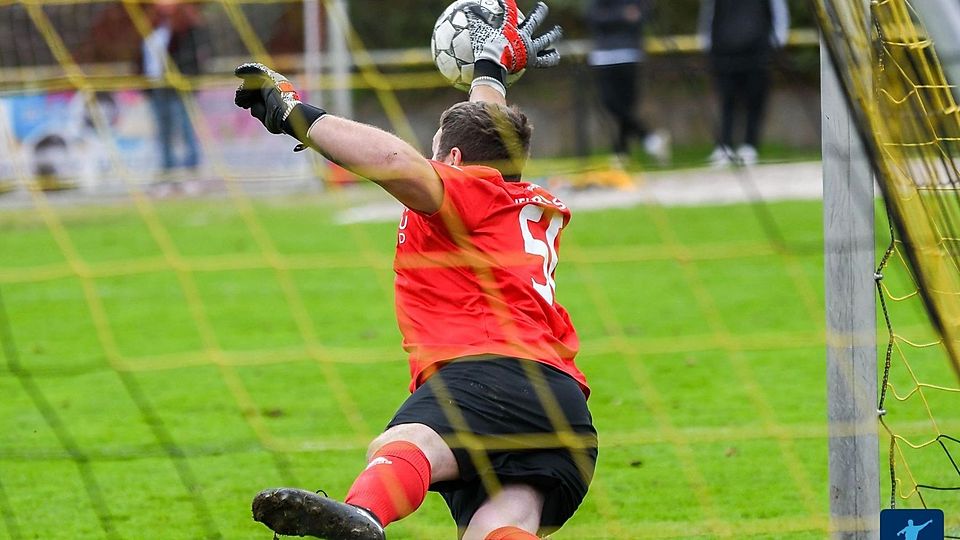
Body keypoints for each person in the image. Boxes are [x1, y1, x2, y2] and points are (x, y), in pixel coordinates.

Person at [235, 2, 597, 539]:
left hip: (488, 376)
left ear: (451, 159)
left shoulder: (464, 190)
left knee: (405, 445)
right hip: (564, 411)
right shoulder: (517, 196)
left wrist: (294, 113)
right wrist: (489, 68)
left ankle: (364, 514)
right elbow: (485, 129)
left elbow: (395, 164)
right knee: (502, 523)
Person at [698, 0, 789, 167]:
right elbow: (708, 16)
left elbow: (779, 14)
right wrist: (707, 44)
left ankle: (749, 146)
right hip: (725, 51)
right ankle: (724, 146)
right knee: (727, 101)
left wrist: (776, 44)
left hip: (757, 52)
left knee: (755, 101)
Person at [587, 0, 670, 166]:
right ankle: (649, 138)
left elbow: (644, 15)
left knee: (627, 105)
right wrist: (623, 16)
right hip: (605, 57)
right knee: (610, 102)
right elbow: (594, 17)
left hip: (629, 54)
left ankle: (621, 152)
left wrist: (618, 18)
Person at [140, 0, 207, 180]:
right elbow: (144, 58)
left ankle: (192, 169)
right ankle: (168, 169)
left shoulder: (185, 30)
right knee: (163, 131)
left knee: (185, 127)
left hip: (178, 87)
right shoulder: (150, 29)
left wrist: (185, 80)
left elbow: (193, 59)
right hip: (156, 87)